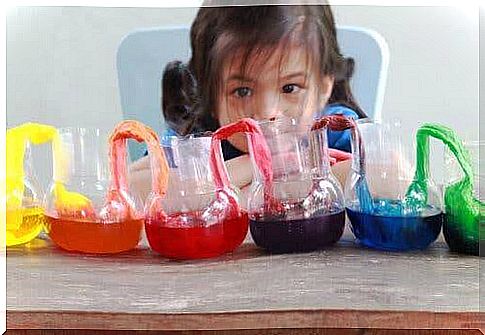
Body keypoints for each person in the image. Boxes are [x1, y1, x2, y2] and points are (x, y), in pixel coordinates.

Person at [130, 3, 366, 201]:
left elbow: (393, 176)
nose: (267, 112)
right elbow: (130, 187)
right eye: (242, 91)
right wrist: (257, 166)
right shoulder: (197, 143)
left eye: (290, 88)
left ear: (324, 87)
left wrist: (204, 191)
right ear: (209, 95)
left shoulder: (335, 130)